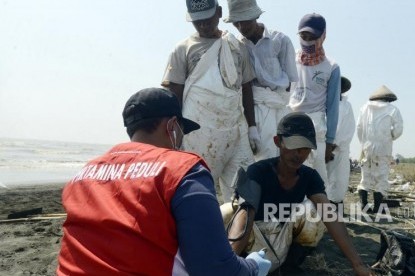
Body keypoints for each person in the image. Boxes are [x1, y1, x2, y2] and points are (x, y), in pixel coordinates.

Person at [57, 88, 271, 276]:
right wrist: (252, 266)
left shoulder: (83, 174)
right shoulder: (183, 170)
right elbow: (215, 270)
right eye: (182, 131)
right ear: (172, 126)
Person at [221, 112, 373, 275]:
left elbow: (330, 216)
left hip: (282, 238)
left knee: (313, 213)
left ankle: (292, 261)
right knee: (228, 211)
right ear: (278, 142)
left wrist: (358, 264)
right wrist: (231, 266)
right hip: (252, 238)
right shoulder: (258, 171)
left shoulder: (309, 176)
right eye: (293, 146)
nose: (298, 154)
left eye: (305, 148)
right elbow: (246, 216)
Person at [162, 0, 258, 203]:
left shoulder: (236, 46)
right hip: (199, 132)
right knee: (198, 189)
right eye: (198, 22)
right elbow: (173, 93)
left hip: (234, 127)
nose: (203, 25)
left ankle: (239, 233)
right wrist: (173, 133)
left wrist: (252, 127)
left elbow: (246, 88)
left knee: (246, 188)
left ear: (219, 13)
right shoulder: (183, 49)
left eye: (207, 19)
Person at [223, 0, 298, 161]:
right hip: (252, 107)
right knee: (258, 158)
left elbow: (290, 81)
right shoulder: (237, 46)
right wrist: (252, 126)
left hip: (278, 105)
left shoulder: (280, 40)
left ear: (256, 16)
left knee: (283, 158)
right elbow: (244, 85)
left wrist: (276, 102)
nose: (242, 28)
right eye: (237, 23)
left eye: (246, 22)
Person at [289, 13, 340, 189]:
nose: (308, 42)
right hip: (290, 124)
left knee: (317, 181)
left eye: (313, 37)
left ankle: (317, 215)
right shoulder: (290, 59)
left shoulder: (331, 67)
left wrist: (329, 142)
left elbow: (332, 107)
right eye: (304, 37)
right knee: (291, 177)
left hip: (316, 128)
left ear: (323, 36)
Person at [356, 85, 403, 213]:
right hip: (383, 147)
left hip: (367, 146)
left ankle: (364, 206)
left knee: (365, 175)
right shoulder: (393, 109)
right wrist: (389, 137)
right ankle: (377, 207)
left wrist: (364, 143)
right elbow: (398, 130)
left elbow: (359, 128)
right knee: (381, 176)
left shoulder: (364, 108)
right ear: (388, 98)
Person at [325, 76, 356, 211]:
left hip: (339, 149)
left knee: (339, 180)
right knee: (321, 179)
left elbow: (349, 128)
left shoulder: (346, 106)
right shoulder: (320, 103)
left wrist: (334, 144)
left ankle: (335, 212)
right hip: (320, 147)